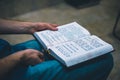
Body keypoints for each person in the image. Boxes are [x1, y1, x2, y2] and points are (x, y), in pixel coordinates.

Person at [0, 19, 113, 80]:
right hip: (7, 71)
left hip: (5, 51)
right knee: (104, 60)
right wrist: (19, 57)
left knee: (48, 46)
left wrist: (30, 27)